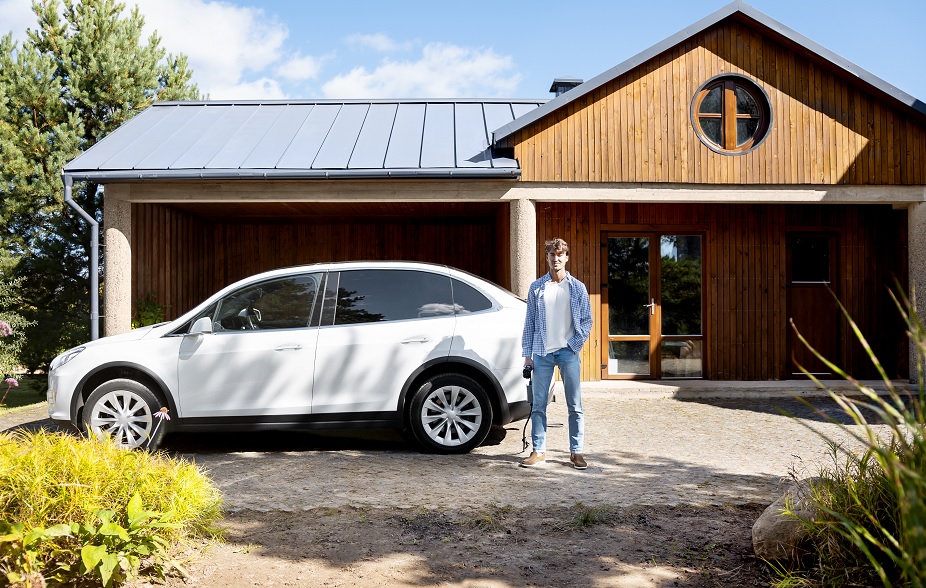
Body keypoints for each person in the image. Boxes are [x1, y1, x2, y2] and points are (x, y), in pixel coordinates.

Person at [520, 238, 593, 469]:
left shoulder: (577, 287)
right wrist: (527, 354)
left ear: (566, 257)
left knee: (575, 405)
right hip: (542, 353)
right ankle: (538, 451)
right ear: (547, 258)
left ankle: (576, 452)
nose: (556, 259)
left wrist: (574, 345)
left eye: (560, 255)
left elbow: (587, 321)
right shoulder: (536, 288)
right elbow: (529, 323)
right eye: (552, 255)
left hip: (568, 352)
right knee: (539, 404)